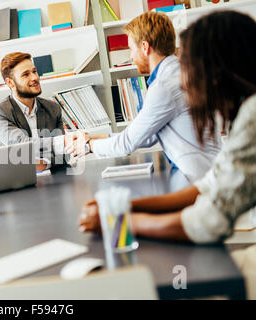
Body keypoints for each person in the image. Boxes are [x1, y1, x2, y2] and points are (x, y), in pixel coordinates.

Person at [78, 11, 256, 244]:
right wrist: (125, 207)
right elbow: (208, 185)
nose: (186, 78)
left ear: (220, 67)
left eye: (192, 64)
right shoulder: (245, 112)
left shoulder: (251, 115)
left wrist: (118, 221)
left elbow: (208, 222)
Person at [67, 11, 221, 182]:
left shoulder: (164, 86)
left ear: (145, 47)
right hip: (205, 172)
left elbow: (128, 143)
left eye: (131, 49)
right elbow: (145, 136)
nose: (131, 57)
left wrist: (88, 147)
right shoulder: (178, 73)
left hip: (200, 179)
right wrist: (92, 137)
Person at [0, 52, 77, 171]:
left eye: (34, 71)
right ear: (10, 83)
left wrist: (44, 164)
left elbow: (64, 154)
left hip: (54, 180)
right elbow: (21, 145)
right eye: (26, 74)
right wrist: (64, 141)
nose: (34, 78)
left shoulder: (53, 108)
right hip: (17, 183)